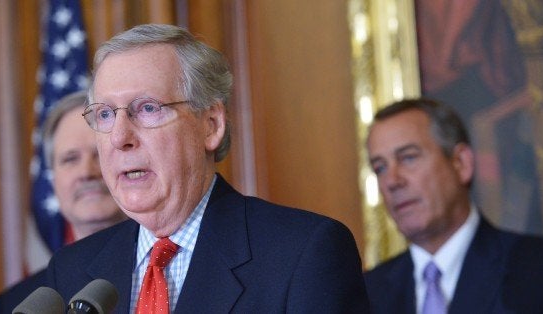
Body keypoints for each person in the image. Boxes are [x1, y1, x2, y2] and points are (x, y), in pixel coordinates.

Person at [44, 24, 369, 313]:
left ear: (211, 125)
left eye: (147, 109)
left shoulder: (303, 254)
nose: (119, 138)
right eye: (104, 114)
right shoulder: (72, 272)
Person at [364, 97, 543, 313]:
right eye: (380, 168)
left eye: (409, 157)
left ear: (461, 163)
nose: (392, 181)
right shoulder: (366, 293)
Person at [0, 91, 127, 313]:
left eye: (100, 154)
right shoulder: (14, 305)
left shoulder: (161, 272)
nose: (86, 172)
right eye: (70, 159)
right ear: (52, 179)